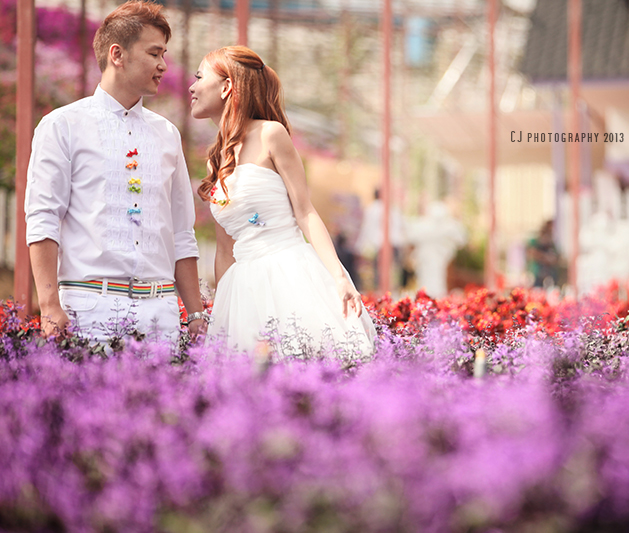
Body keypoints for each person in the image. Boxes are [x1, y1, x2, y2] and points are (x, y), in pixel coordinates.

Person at [25, 0, 207, 343]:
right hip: (87, 309)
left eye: (164, 54)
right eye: (154, 53)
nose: (163, 65)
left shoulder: (168, 135)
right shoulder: (62, 125)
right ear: (117, 54)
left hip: (161, 316)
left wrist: (195, 313)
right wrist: (49, 305)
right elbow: (43, 218)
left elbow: (182, 232)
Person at [190, 46, 375, 357]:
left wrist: (340, 278)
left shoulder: (270, 135)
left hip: (288, 272)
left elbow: (306, 212)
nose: (192, 87)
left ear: (226, 87)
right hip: (242, 288)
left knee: (302, 363)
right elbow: (225, 249)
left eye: (199, 77)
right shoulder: (214, 161)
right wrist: (224, 312)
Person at [526, 220, 561, 289]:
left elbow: (555, 258)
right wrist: (544, 257)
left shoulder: (552, 244)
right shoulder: (536, 242)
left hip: (550, 275)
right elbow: (531, 253)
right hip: (538, 275)